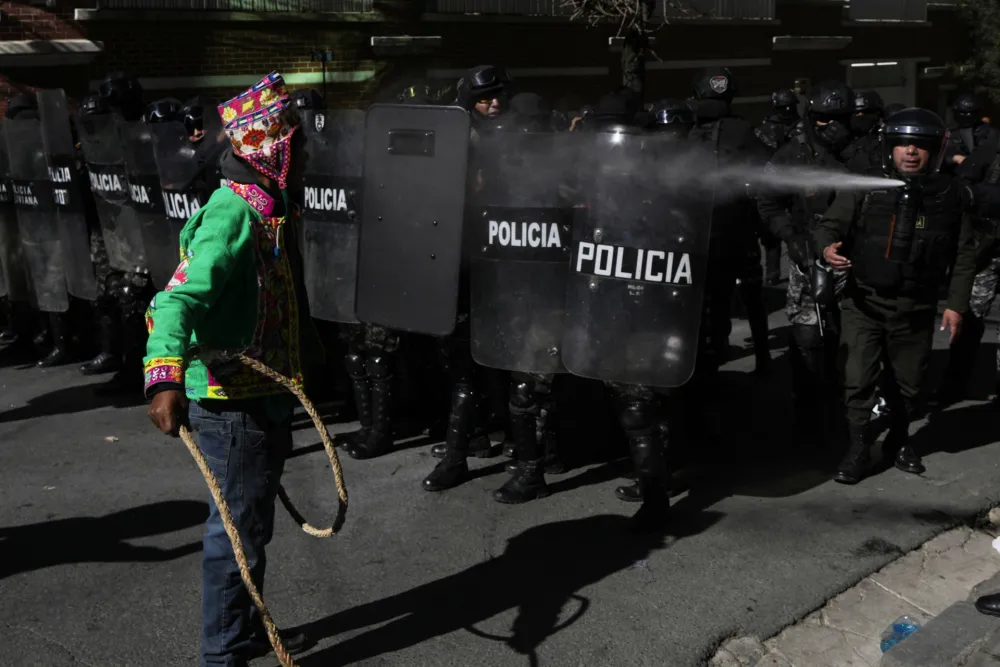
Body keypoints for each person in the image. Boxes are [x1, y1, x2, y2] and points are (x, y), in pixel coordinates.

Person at [145, 72, 315, 666]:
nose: (304, 150)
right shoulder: (233, 214)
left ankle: (242, 633)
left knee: (250, 529)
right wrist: (164, 378)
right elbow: (177, 299)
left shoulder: (269, 203)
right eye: (294, 138)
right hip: (231, 401)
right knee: (236, 536)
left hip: (264, 391)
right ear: (271, 145)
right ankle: (223, 655)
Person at [813, 107, 976, 484]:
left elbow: (963, 253)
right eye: (903, 144)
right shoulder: (866, 187)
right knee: (858, 379)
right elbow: (829, 226)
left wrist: (956, 305)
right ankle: (857, 448)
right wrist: (827, 249)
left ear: (934, 151)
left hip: (915, 308)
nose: (910, 152)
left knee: (909, 385)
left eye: (919, 145)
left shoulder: (951, 195)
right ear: (890, 147)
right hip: (864, 302)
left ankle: (899, 441)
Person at [757, 80, 854, 443]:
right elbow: (768, 202)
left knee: (854, 341)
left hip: (855, 261)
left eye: (842, 118)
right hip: (808, 261)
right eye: (827, 119)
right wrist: (792, 240)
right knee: (808, 339)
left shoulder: (861, 152)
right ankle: (809, 415)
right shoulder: (791, 155)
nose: (836, 126)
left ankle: (853, 411)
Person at [689, 67, 772, 376]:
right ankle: (762, 358)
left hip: (697, 230)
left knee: (706, 294)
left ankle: (708, 355)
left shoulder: (686, 129)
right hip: (737, 229)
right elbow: (769, 166)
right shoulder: (742, 131)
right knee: (750, 295)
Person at [842, 90, 885, 174]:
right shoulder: (842, 138)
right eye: (856, 113)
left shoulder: (883, 140)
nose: (860, 116)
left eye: (866, 112)